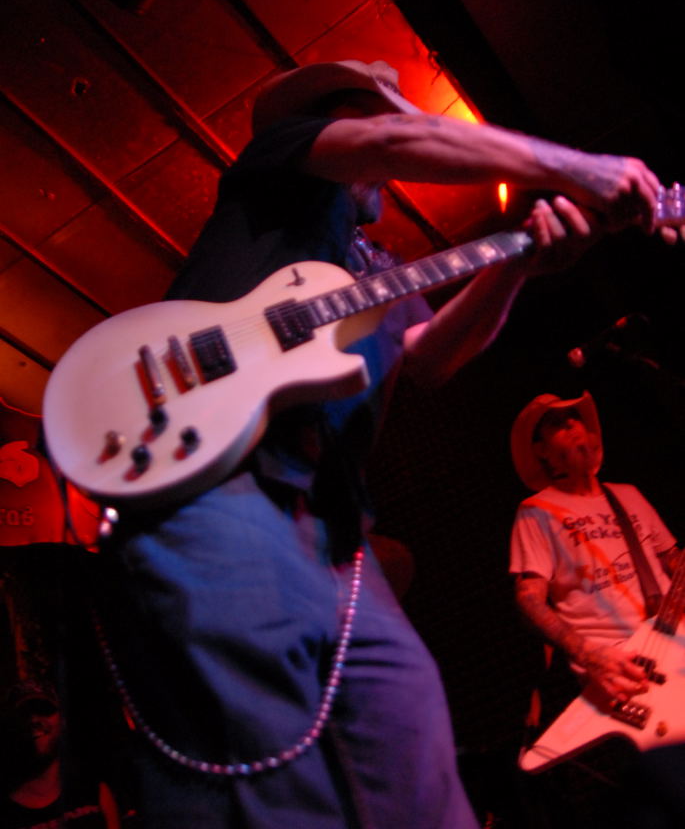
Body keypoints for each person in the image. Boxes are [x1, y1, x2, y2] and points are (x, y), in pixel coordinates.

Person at [94, 58, 666, 829]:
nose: (389, 155)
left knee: (413, 751)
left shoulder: (381, 272)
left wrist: (517, 265)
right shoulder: (282, 166)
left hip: (332, 530)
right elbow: (391, 142)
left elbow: (430, 358)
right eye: (375, 118)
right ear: (338, 123)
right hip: (222, 485)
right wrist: (581, 167)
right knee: (261, 771)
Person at [509, 390, 685, 827]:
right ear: (541, 450)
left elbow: (674, 562)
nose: (573, 424)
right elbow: (528, 600)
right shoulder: (536, 511)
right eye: (557, 422)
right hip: (624, 671)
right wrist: (590, 655)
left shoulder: (629, 495)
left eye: (576, 417)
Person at [0, 679, 122, 828]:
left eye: (44, 710)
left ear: (63, 721)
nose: (34, 719)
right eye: (23, 714)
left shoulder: (94, 792)